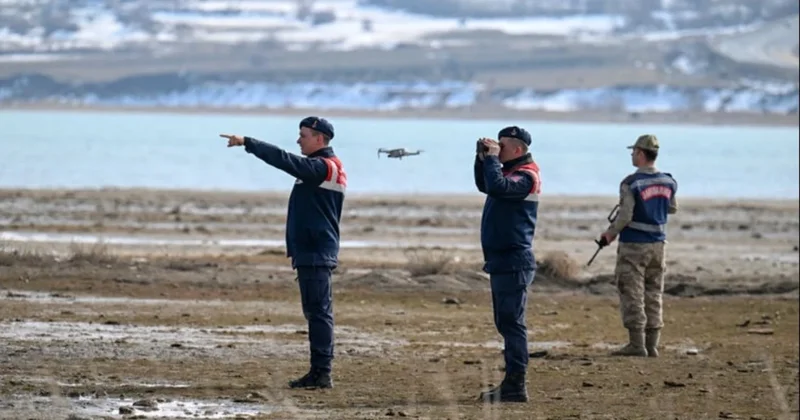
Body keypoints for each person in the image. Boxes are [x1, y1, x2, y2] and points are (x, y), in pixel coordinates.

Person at [220, 116, 346, 388]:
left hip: (316, 250)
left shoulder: (323, 167)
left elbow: (284, 160)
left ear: (319, 139)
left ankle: (321, 373)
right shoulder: (321, 168)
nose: (298, 139)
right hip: (312, 250)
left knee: (319, 313)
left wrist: (248, 143)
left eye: (303, 135)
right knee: (316, 312)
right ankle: (319, 371)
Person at [473, 126, 542, 403]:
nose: (497, 150)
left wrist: (491, 161)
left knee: (512, 324)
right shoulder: (511, 172)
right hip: (503, 260)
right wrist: (482, 159)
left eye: (501, 146)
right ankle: (513, 382)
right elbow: (486, 185)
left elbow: (497, 186)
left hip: (515, 259)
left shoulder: (527, 176)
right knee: (506, 322)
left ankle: (516, 385)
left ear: (517, 149)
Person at [598, 134, 678, 358]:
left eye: (634, 152)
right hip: (659, 245)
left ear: (641, 154)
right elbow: (672, 208)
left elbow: (625, 216)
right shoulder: (669, 181)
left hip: (634, 245)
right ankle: (652, 344)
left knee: (631, 292)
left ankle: (636, 344)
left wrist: (609, 235)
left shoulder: (631, 183)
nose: (632, 155)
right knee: (654, 292)